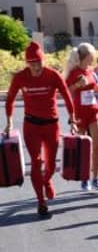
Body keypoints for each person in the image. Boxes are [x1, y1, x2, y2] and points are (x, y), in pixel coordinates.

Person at [4, 41, 77, 216]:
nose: (36, 67)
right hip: (31, 126)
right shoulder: (21, 77)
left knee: (51, 165)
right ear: (27, 63)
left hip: (51, 125)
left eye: (38, 62)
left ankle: (46, 181)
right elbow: (10, 99)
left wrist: (73, 120)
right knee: (36, 162)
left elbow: (67, 96)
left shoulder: (53, 75)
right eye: (32, 63)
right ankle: (40, 201)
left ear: (43, 61)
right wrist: (9, 121)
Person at [64, 43, 98, 191]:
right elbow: (66, 91)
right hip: (80, 113)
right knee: (83, 147)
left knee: (97, 144)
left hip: (94, 111)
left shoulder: (91, 71)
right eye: (92, 55)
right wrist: (77, 85)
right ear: (85, 56)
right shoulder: (73, 73)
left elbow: (95, 86)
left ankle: (96, 179)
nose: (93, 57)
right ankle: (84, 178)